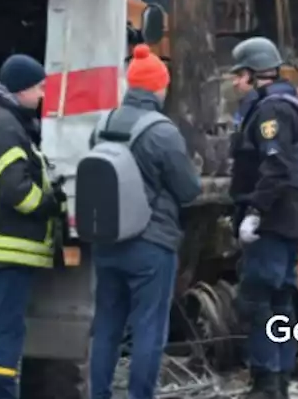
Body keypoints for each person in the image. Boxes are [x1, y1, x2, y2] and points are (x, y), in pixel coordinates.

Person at [88, 46, 201, 399]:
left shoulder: (102, 124)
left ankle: (100, 394)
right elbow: (188, 190)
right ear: (157, 88)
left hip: (107, 242)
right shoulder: (162, 132)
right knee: (149, 327)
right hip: (151, 245)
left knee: (106, 325)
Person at [227, 37, 298, 399]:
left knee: (257, 299)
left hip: (274, 218)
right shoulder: (290, 103)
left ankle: (266, 381)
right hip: (290, 216)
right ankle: (278, 380)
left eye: (238, 75)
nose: (235, 82)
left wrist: (254, 212)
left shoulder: (271, 111)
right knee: (280, 298)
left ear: (253, 74)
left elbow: (275, 166)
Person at [0, 54, 62, 399]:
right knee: (6, 329)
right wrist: (50, 203)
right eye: (39, 87)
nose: (42, 95)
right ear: (21, 88)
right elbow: (15, 190)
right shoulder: (8, 127)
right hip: (12, 243)